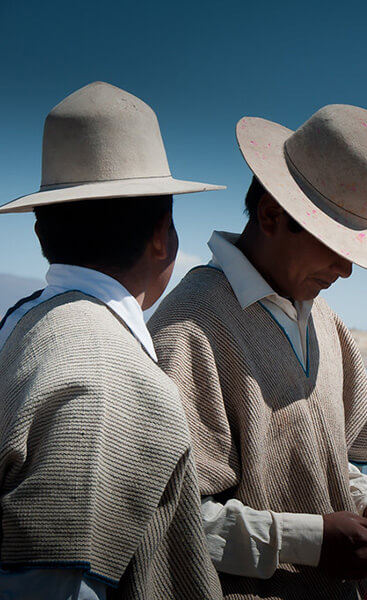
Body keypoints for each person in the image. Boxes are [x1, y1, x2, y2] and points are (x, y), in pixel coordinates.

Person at [148, 104, 367, 600]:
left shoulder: (324, 319)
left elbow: (330, 460)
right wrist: (309, 543)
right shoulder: (189, 327)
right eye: (335, 245)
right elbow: (164, 518)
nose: (347, 270)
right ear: (272, 214)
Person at [0, 81, 224, 599]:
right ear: (160, 236)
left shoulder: (26, 323)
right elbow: (58, 586)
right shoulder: (107, 375)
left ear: (39, 233)